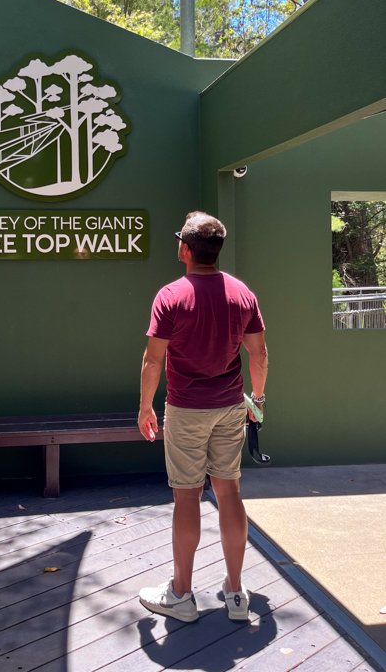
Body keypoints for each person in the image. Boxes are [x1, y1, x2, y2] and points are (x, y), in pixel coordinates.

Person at [137, 211, 268, 623]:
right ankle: (235, 592)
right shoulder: (241, 293)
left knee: (187, 496)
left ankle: (180, 594)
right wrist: (257, 399)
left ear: (186, 249)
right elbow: (259, 353)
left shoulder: (170, 296)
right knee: (229, 493)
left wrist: (144, 407)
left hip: (186, 410)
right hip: (231, 407)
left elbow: (153, 360)